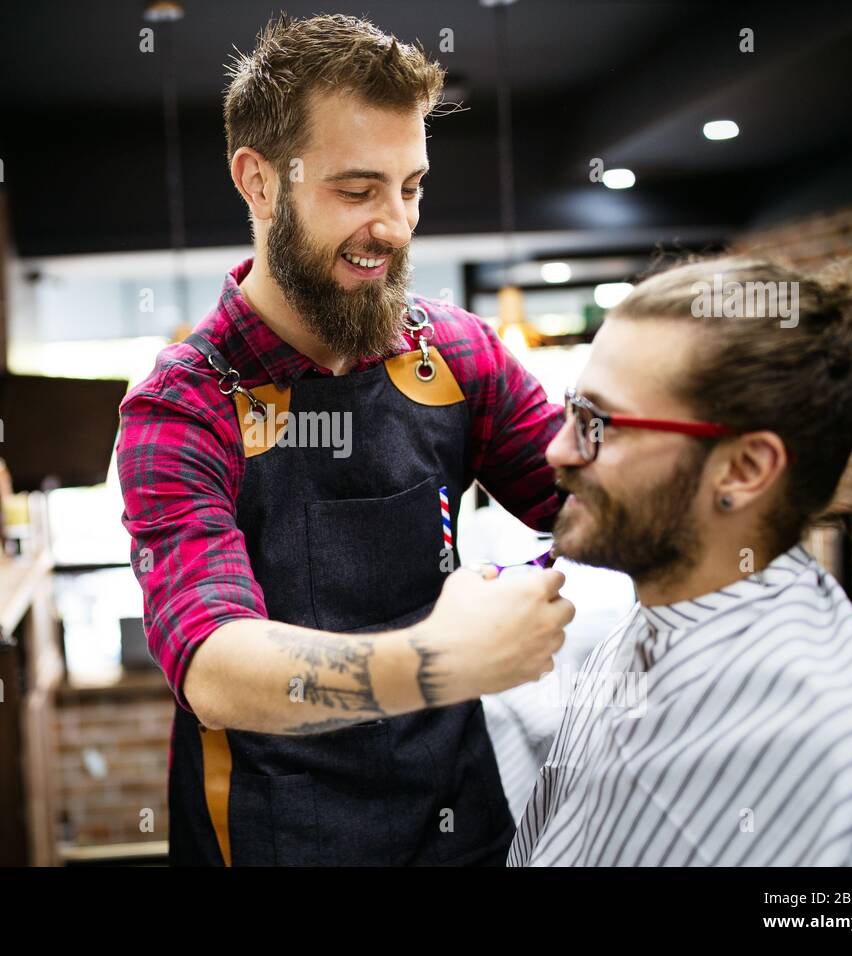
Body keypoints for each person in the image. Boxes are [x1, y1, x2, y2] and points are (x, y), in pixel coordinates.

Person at [116, 13, 573, 866]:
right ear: (258, 181)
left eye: (412, 187)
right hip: (273, 836)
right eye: (358, 192)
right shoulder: (182, 406)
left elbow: (590, 502)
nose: (396, 227)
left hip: (458, 826)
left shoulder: (460, 354)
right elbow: (212, 664)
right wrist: (440, 661)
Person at [508, 254, 852, 866]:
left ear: (743, 470)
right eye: (570, 411)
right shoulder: (634, 637)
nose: (557, 451)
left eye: (598, 424)